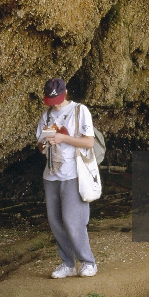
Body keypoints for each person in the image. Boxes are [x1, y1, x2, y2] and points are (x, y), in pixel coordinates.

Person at [36, 77, 98, 278]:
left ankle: (88, 262)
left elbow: (89, 143)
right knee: (55, 221)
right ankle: (68, 264)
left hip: (74, 173)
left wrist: (63, 138)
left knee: (72, 220)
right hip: (52, 174)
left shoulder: (79, 111)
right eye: (50, 101)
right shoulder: (46, 116)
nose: (54, 104)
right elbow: (39, 146)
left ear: (66, 93)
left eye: (57, 100)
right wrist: (45, 143)